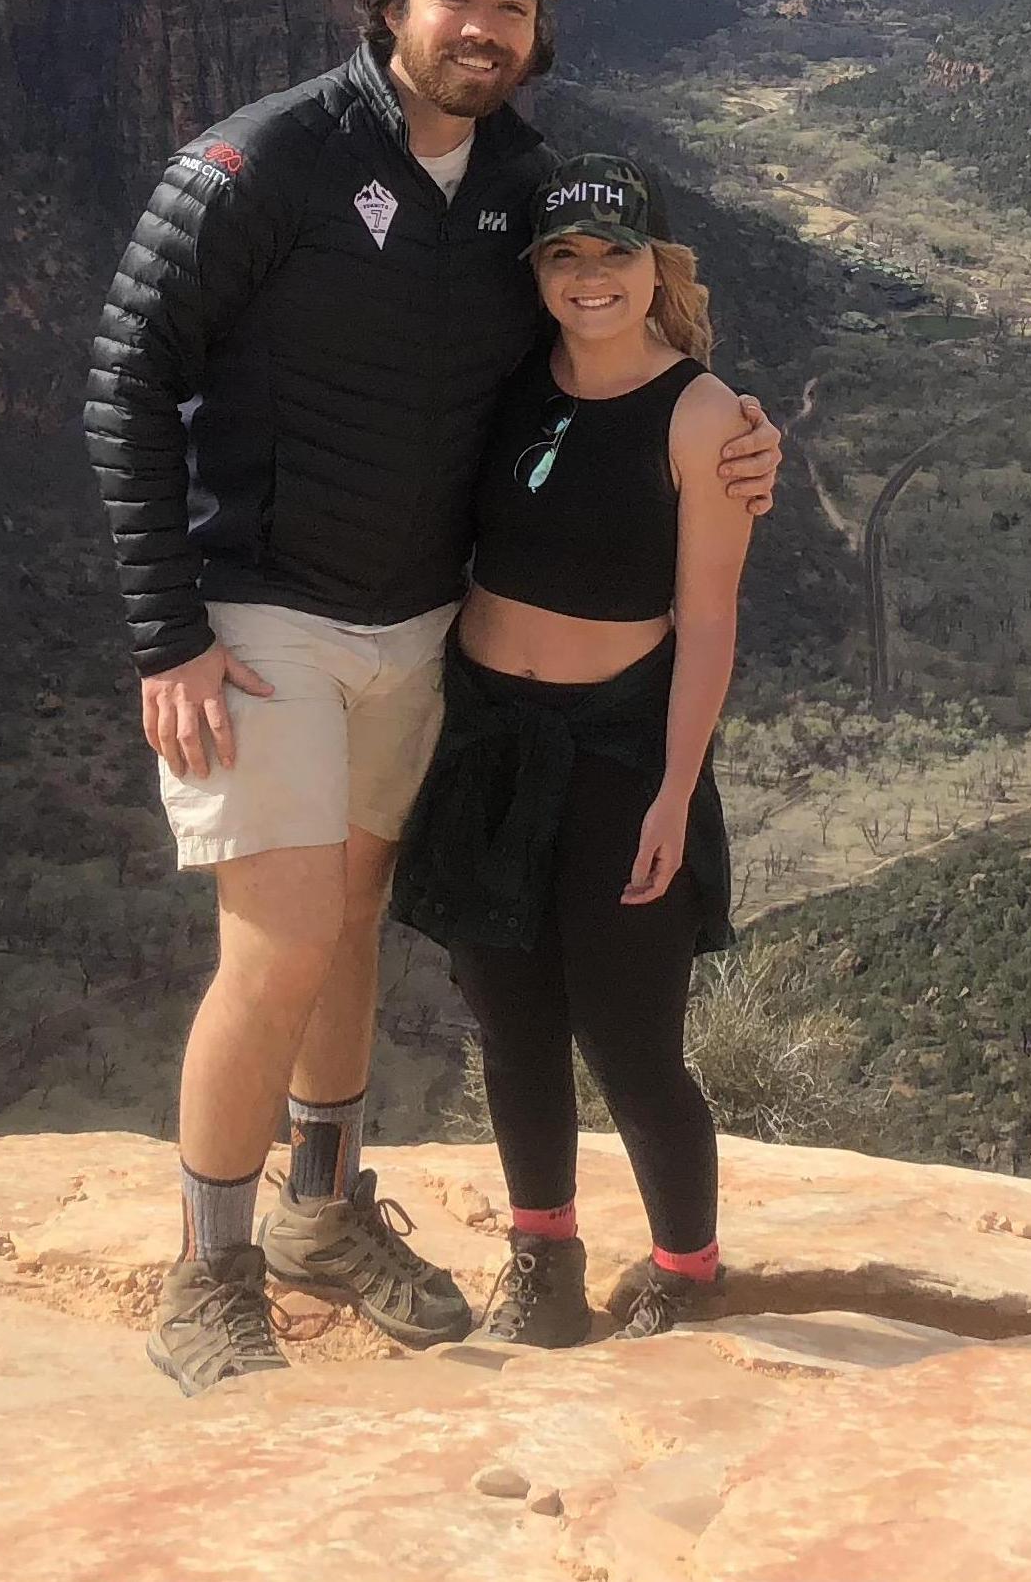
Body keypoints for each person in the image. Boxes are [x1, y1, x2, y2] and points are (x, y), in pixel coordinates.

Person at [83, 0, 780, 1394]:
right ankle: (206, 1276)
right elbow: (126, 374)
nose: (483, 26)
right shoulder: (268, 159)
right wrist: (167, 631)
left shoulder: (521, 184)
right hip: (258, 611)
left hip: (415, 625)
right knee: (274, 946)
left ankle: (319, 1216)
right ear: (385, 8)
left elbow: (599, 349)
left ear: (537, 32)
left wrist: (730, 429)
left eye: (512, 4)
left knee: (345, 926)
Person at [392, 154, 747, 1347]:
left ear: (658, 267)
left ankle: (685, 1265)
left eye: (614, 253)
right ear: (537, 272)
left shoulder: (699, 414)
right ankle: (541, 1252)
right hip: (488, 735)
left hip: (616, 748)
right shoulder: (511, 383)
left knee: (629, 1033)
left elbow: (706, 620)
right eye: (563, 254)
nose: (590, 277)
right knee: (512, 1019)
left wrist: (673, 791)